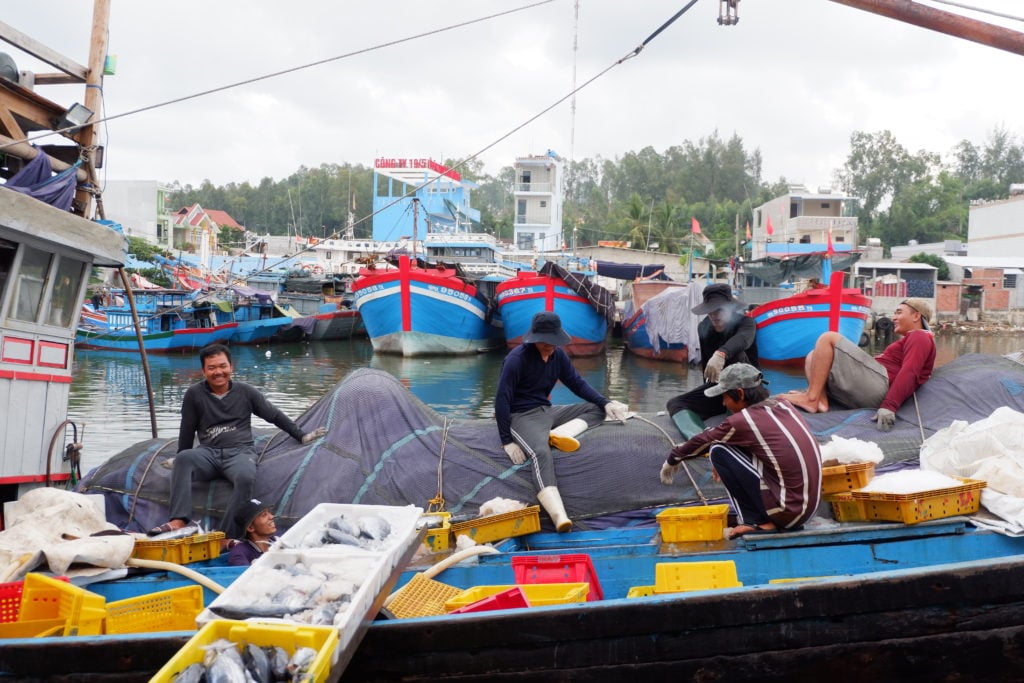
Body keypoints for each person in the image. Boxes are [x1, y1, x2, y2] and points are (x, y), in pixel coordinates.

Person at [148, 343, 326, 537]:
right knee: (183, 459)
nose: (218, 372)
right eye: (212, 368)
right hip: (208, 452)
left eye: (222, 366)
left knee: (245, 477)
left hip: (240, 452)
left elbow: (273, 415)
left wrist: (300, 435)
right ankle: (178, 520)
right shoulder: (194, 394)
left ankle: (225, 536)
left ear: (231, 367)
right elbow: (187, 429)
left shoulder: (246, 392)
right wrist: (181, 456)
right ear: (203, 371)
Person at [495, 311, 629, 532]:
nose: (551, 346)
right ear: (535, 338)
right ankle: (558, 515)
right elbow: (502, 399)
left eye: (554, 341)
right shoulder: (516, 359)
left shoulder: (558, 356)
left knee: (595, 409)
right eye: (546, 342)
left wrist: (606, 402)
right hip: (521, 416)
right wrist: (506, 440)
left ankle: (560, 434)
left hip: (546, 411)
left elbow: (577, 384)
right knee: (541, 452)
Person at [659, 363, 822, 539]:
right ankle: (765, 518)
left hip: (788, 513)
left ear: (740, 394)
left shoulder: (744, 420)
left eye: (725, 397)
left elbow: (704, 440)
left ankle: (754, 522)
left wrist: (673, 459)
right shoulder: (783, 405)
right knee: (728, 445)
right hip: (806, 510)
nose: (723, 403)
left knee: (718, 450)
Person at [783, 298, 936, 431]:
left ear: (916, 316)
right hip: (872, 385)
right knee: (813, 355)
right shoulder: (912, 339)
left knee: (828, 337)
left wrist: (889, 406)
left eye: (899, 312)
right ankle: (818, 399)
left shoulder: (920, 337)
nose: (894, 317)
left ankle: (811, 398)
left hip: (878, 388)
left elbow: (910, 372)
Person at [666, 283, 758, 439]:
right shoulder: (704, 328)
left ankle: (738, 422)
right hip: (720, 389)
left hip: (747, 389)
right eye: (710, 311)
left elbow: (743, 340)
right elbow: (708, 370)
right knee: (675, 404)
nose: (714, 315)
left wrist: (721, 354)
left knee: (736, 356)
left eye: (719, 310)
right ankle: (701, 439)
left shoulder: (746, 323)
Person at [227, 498, 278, 566]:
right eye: (264, 515)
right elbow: (245, 575)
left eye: (269, 512)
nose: (272, 516)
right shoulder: (240, 553)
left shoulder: (277, 542)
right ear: (250, 528)